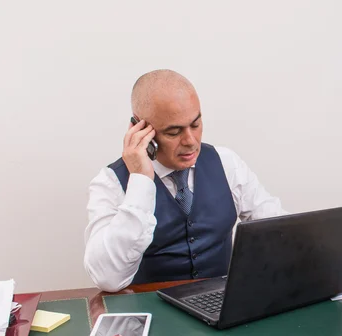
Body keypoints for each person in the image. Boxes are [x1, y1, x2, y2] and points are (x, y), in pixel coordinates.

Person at [84, 69, 287, 292]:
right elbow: (108, 279)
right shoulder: (111, 183)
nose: (190, 141)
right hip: (152, 313)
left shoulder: (227, 163)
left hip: (221, 308)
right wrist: (140, 181)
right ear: (140, 130)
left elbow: (278, 230)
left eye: (196, 124)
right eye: (173, 132)